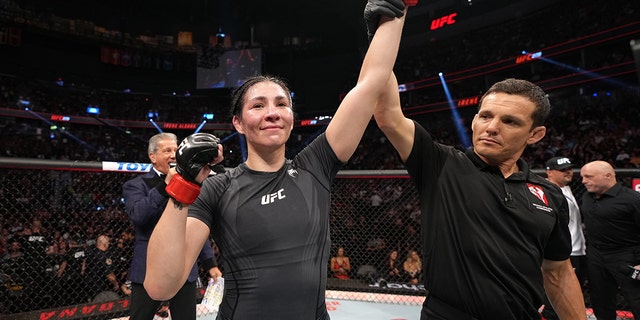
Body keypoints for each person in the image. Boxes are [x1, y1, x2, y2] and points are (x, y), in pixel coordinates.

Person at [144, 1, 408, 319]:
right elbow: (161, 287)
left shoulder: (316, 165)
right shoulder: (217, 187)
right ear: (238, 123)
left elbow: (370, 85)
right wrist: (183, 185)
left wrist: (395, 15)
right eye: (258, 105)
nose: (271, 112)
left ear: (292, 118)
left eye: (281, 103)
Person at [374, 76, 586, 319]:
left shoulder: (550, 195)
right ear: (474, 120)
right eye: (486, 116)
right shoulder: (441, 165)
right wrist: (381, 35)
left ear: (535, 134)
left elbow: (558, 273)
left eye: (510, 121)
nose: (492, 127)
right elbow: (388, 116)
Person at [122, 132, 222, 320]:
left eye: (176, 150)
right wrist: (167, 185)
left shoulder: (192, 183)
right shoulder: (136, 185)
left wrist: (210, 263)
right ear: (152, 156)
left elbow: (195, 224)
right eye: (167, 150)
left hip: (184, 269)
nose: (173, 155)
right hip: (147, 269)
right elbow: (139, 215)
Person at [579, 160, 640, 320]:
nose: (584, 181)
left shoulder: (632, 199)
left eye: (588, 177)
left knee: (637, 299)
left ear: (607, 176)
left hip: (627, 257)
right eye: (583, 177)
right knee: (600, 301)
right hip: (595, 256)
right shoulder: (586, 196)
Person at [542, 156, 588, 320]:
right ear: (549, 172)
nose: (568, 172)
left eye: (569, 168)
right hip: (564, 254)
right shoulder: (546, 192)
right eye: (562, 170)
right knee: (559, 300)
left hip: (578, 251)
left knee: (574, 297)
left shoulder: (567, 189)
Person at [84, 235, 120, 302]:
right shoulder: (104, 256)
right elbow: (109, 276)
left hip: (90, 284)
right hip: (101, 286)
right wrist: (116, 284)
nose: (109, 244)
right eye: (108, 242)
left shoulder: (92, 253)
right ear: (105, 243)